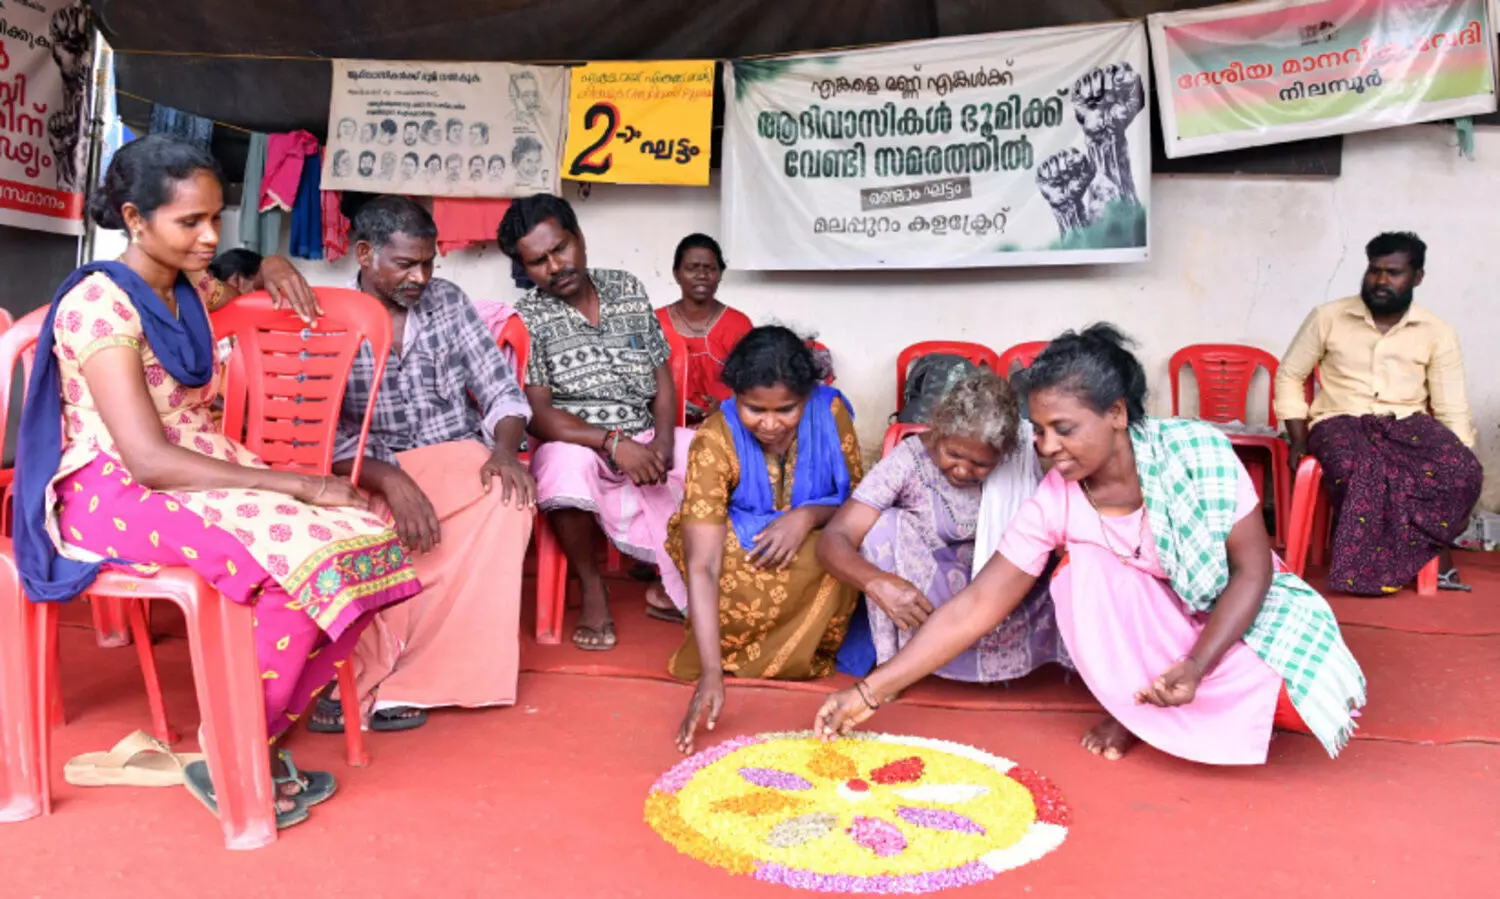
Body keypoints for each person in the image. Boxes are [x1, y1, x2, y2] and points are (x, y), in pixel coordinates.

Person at [13, 134, 420, 829]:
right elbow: (146, 457)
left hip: (191, 467)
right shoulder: (100, 307)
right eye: (189, 222)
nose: (208, 236)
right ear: (136, 219)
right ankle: (230, 747)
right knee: (297, 563)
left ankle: (244, 735)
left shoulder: (187, 284)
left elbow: (235, 279)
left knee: (363, 539)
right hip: (116, 489)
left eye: (216, 218)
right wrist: (300, 484)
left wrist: (266, 262)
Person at [814, 325, 1366, 766]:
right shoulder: (1056, 499)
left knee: (1287, 702)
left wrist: (1197, 663)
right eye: (1038, 430)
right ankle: (1140, 709)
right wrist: (868, 694)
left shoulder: (1197, 453)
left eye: (1064, 428)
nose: (1047, 448)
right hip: (1157, 636)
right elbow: (977, 604)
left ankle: (1156, 704)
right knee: (1085, 569)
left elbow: (1251, 572)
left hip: (1227, 617)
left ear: (1118, 414)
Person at [306, 196, 536, 733]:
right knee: (366, 529)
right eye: (406, 264)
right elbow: (321, 433)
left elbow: (501, 392)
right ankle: (365, 674)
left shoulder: (447, 302)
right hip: (368, 466)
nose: (421, 276)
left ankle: (420, 679)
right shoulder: (329, 320)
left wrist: (504, 452)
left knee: (509, 501)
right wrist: (390, 479)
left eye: (429, 262)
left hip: (454, 452)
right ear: (364, 254)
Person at [500, 193, 692, 650]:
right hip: (579, 440)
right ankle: (591, 584)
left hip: (644, 433)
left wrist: (662, 439)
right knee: (564, 466)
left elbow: (660, 372)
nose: (555, 266)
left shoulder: (626, 288)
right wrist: (611, 442)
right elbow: (540, 414)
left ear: (580, 239)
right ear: (525, 270)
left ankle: (678, 575)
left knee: (708, 454)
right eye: (537, 262)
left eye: (560, 249)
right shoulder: (530, 317)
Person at [671, 327, 863, 752]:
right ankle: (723, 656)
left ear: (807, 395)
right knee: (729, 554)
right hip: (731, 544)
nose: (771, 424)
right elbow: (703, 562)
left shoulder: (830, 414)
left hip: (814, 532)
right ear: (735, 397)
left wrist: (806, 515)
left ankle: (801, 654)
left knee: (835, 551)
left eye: (787, 410)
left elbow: (860, 502)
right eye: (754, 410)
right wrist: (710, 673)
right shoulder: (714, 438)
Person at [819, 369, 1069, 683]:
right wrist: (877, 582)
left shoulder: (1018, 462)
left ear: (1004, 455)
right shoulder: (908, 460)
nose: (962, 470)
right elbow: (835, 537)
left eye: (980, 464)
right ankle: (895, 667)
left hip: (1002, 597)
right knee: (884, 526)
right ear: (937, 431)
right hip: (926, 602)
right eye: (952, 454)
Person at [1275, 232, 1481, 594]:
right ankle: (1374, 572)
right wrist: (1297, 439)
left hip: (1406, 423)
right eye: (1374, 270)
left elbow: (1451, 406)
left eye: (1394, 272)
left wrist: (1460, 449)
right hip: (1340, 420)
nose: (1381, 281)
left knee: (1462, 470)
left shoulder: (1437, 332)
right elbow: (1291, 375)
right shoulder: (1328, 317)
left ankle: (1417, 557)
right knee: (1362, 468)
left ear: (1417, 277)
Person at [653, 234, 753, 425]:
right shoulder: (655, 322)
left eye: (710, 269)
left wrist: (726, 407)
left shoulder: (738, 324)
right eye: (692, 268)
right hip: (665, 429)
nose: (701, 275)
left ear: (720, 274)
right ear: (676, 273)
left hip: (726, 428)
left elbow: (754, 385)